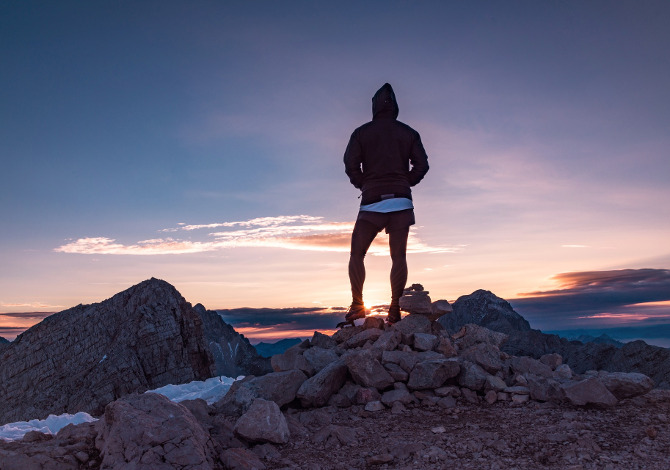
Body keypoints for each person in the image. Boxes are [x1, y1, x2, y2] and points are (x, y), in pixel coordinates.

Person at [342, 83, 429, 325]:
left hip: (371, 202)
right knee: (398, 256)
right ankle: (394, 309)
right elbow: (422, 165)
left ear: (374, 106)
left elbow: (350, 165)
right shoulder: (409, 132)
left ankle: (358, 306)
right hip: (401, 201)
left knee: (357, 254)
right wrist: (404, 183)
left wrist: (365, 185)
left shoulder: (361, 133)